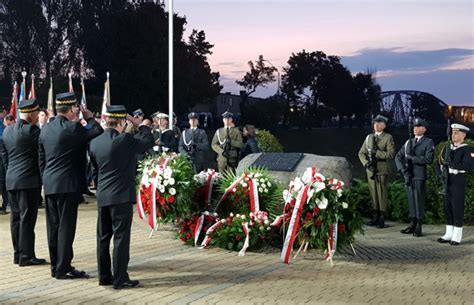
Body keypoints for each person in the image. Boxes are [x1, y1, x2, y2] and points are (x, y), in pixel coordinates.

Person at [39, 92, 103, 279]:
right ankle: (64, 267)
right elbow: (97, 131)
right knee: (66, 227)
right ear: (72, 109)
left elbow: (41, 159)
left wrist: (46, 179)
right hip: (68, 185)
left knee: (53, 227)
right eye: (76, 107)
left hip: (50, 183)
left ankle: (55, 266)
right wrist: (90, 116)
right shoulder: (73, 128)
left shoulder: (46, 129)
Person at [90, 105, 153, 289]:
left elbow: (95, 172)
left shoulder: (95, 142)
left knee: (103, 238)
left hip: (103, 195)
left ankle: (104, 276)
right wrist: (140, 124)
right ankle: (120, 278)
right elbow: (146, 141)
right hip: (121, 196)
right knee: (121, 238)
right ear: (122, 122)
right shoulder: (124, 139)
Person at [1, 99, 47, 266]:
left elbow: (5, 156)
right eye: (36, 113)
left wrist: (10, 172)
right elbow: (41, 154)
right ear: (31, 113)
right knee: (27, 219)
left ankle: (18, 254)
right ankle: (27, 256)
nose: (36, 117)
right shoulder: (33, 131)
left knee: (16, 218)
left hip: (11, 179)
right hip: (29, 181)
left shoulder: (7, 131)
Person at [395, 118, 434, 237]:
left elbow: (428, 159)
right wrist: (402, 170)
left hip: (419, 175)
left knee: (419, 201)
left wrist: (413, 158)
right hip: (408, 175)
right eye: (414, 127)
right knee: (411, 200)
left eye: (418, 126)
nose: (415, 129)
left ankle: (419, 226)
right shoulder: (408, 142)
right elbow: (398, 156)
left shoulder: (428, 142)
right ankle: (412, 224)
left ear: (424, 129)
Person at [437, 124, 473, 245]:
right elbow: (439, 162)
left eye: (456, 133)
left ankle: (457, 235)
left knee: (457, 207)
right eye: (452, 132)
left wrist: (452, 165)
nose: (453, 135)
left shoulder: (468, 149)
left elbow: (469, 166)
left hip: (458, 180)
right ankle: (448, 233)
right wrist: (440, 172)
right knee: (447, 207)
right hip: (447, 180)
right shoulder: (447, 148)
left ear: (463, 135)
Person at [358, 115, 395, 229]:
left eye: (379, 123)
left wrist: (377, 152)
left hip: (382, 169)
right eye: (375, 123)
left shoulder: (388, 138)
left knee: (381, 193)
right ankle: (375, 216)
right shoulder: (369, 137)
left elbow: (390, 154)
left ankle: (382, 218)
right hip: (371, 170)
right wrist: (366, 163)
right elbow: (361, 153)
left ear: (384, 125)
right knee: (373, 193)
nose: (376, 125)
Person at [0, 114, 14, 215]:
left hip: (8, 164)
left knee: (5, 185)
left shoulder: (6, 133)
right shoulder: (4, 133)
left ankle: (5, 205)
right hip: (4, 164)